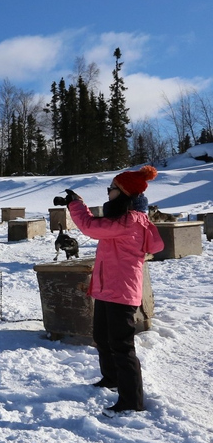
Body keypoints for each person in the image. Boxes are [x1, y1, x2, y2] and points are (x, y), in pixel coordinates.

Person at [53, 165, 164, 415]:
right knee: (103, 337)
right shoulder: (124, 218)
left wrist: (76, 204)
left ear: (124, 192)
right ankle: (111, 378)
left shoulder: (130, 221)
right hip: (107, 288)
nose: (109, 194)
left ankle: (131, 401)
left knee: (122, 345)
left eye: (111, 189)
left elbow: (91, 228)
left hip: (121, 291)